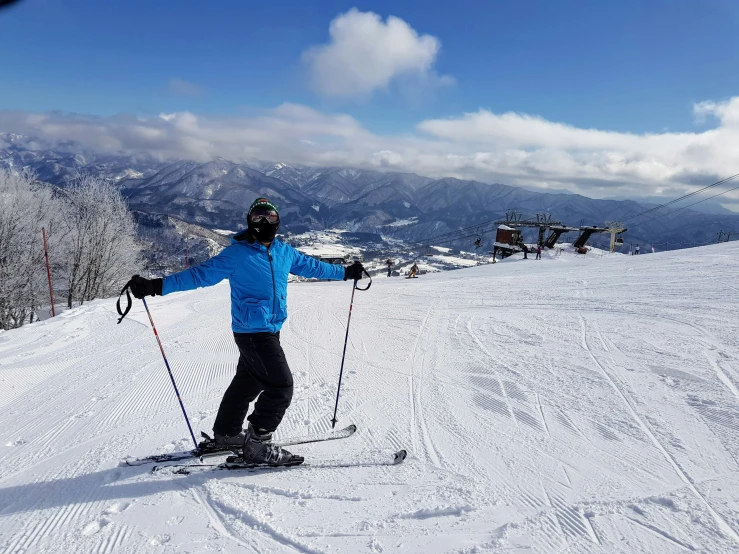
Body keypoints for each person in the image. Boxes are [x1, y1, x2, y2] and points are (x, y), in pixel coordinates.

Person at [127, 197, 365, 466]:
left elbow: (314, 267)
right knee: (281, 386)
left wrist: (345, 273)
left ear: (278, 221)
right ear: (249, 222)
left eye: (270, 217)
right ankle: (258, 445)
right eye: (257, 217)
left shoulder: (284, 252)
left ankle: (227, 433)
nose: (264, 222)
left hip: (269, 329)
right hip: (253, 332)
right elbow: (198, 275)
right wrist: (155, 286)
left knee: (247, 382)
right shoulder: (236, 255)